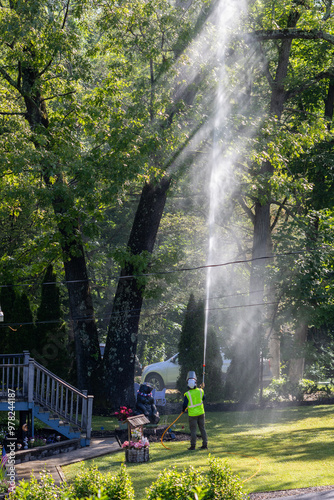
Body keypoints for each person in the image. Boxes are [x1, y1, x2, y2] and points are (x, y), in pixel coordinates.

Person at [182, 371, 208, 450]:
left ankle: (193, 446)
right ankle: (205, 444)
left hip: (192, 415)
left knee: (193, 430)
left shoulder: (187, 394)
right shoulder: (201, 391)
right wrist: (201, 389)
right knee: (202, 429)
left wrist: (183, 410)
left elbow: (184, 405)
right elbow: (204, 398)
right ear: (196, 383)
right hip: (201, 413)